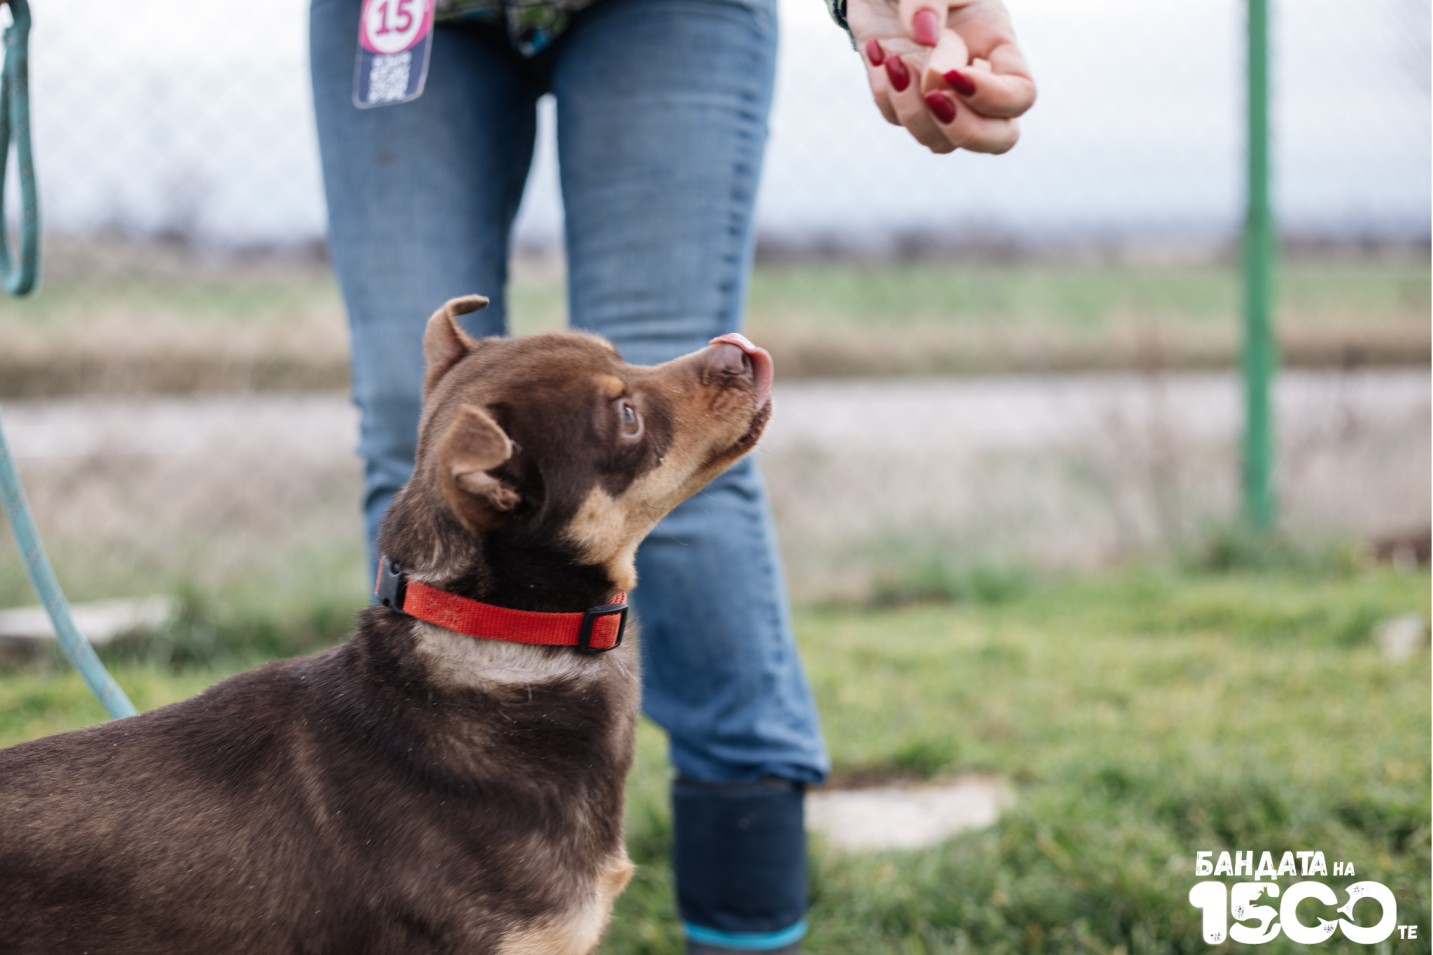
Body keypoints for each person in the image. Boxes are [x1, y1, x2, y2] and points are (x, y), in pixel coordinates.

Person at [309, 0, 1034, 951]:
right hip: (407, 17)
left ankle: (745, 924)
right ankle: (438, 900)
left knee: (683, 483)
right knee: (420, 466)